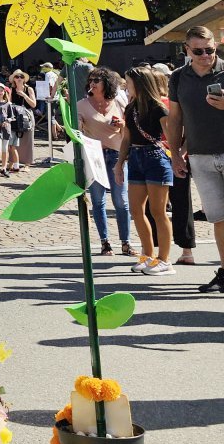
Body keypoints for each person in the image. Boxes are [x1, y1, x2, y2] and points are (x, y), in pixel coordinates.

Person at [165, 25, 224, 293]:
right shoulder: (178, 77)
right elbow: (175, 119)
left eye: (210, 50)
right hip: (200, 157)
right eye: (198, 51)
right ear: (186, 50)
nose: (205, 55)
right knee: (218, 218)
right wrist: (175, 153)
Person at [119, 65, 174, 276]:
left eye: (129, 82)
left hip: (156, 157)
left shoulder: (158, 107)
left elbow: (171, 135)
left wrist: (178, 156)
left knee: (158, 211)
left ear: (139, 84)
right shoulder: (130, 107)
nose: (126, 86)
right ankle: (148, 255)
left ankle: (164, 259)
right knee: (136, 210)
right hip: (135, 157)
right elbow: (126, 138)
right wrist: (119, 163)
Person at [78, 68, 133, 256]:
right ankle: (105, 242)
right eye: (91, 80)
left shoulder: (118, 102)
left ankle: (126, 242)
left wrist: (122, 125)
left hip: (117, 154)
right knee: (98, 201)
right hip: (95, 157)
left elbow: (129, 128)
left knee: (121, 201)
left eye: (97, 80)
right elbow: (77, 133)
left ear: (107, 84)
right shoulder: (82, 105)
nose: (92, 83)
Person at [7, 70, 36, 169]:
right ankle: (13, 161)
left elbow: (33, 104)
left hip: (27, 116)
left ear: (24, 79)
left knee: (27, 140)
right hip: (15, 116)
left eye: (21, 77)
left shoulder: (29, 89)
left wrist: (24, 95)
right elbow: (9, 104)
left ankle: (27, 164)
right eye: (17, 77)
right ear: (14, 79)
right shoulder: (11, 90)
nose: (19, 79)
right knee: (13, 140)